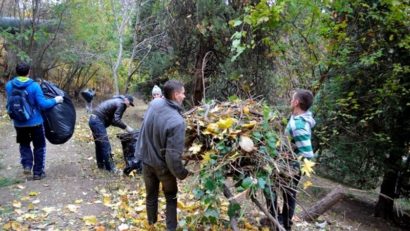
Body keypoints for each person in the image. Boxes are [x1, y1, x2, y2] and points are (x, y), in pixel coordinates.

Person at [136, 80, 189, 231]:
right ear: (175, 94)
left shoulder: (155, 104)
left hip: (146, 161)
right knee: (171, 196)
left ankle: (151, 224)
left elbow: (144, 130)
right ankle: (171, 228)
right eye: (182, 93)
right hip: (162, 167)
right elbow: (172, 158)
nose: (184, 96)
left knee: (151, 195)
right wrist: (182, 173)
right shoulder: (177, 122)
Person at [264, 89, 316, 231]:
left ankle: (282, 224)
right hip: (287, 163)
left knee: (280, 191)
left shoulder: (299, 126)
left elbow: (308, 153)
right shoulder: (297, 117)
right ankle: (278, 219)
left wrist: (295, 165)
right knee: (278, 190)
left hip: (292, 167)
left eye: (292, 99)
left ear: (297, 102)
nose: (290, 101)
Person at [5, 62, 63, 180]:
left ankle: (26, 165)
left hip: (19, 123)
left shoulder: (9, 85)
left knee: (24, 144)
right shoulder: (34, 86)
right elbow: (43, 104)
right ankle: (38, 172)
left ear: (16, 72)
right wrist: (56, 100)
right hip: (35, 122)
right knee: (39, 146)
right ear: (29, 72)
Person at [88, 95, 135, 172]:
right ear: (126, 100)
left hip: (93, 119)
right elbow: (117, 120)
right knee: (105, 145)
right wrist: (126, 127)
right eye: (129, 103)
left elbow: (113, 120)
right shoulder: (122, 104)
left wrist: (123, 127)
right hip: (97, 121)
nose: (129, 106)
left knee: (99, 144)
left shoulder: (117, 101)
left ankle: (101, 164)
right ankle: (111, 168)